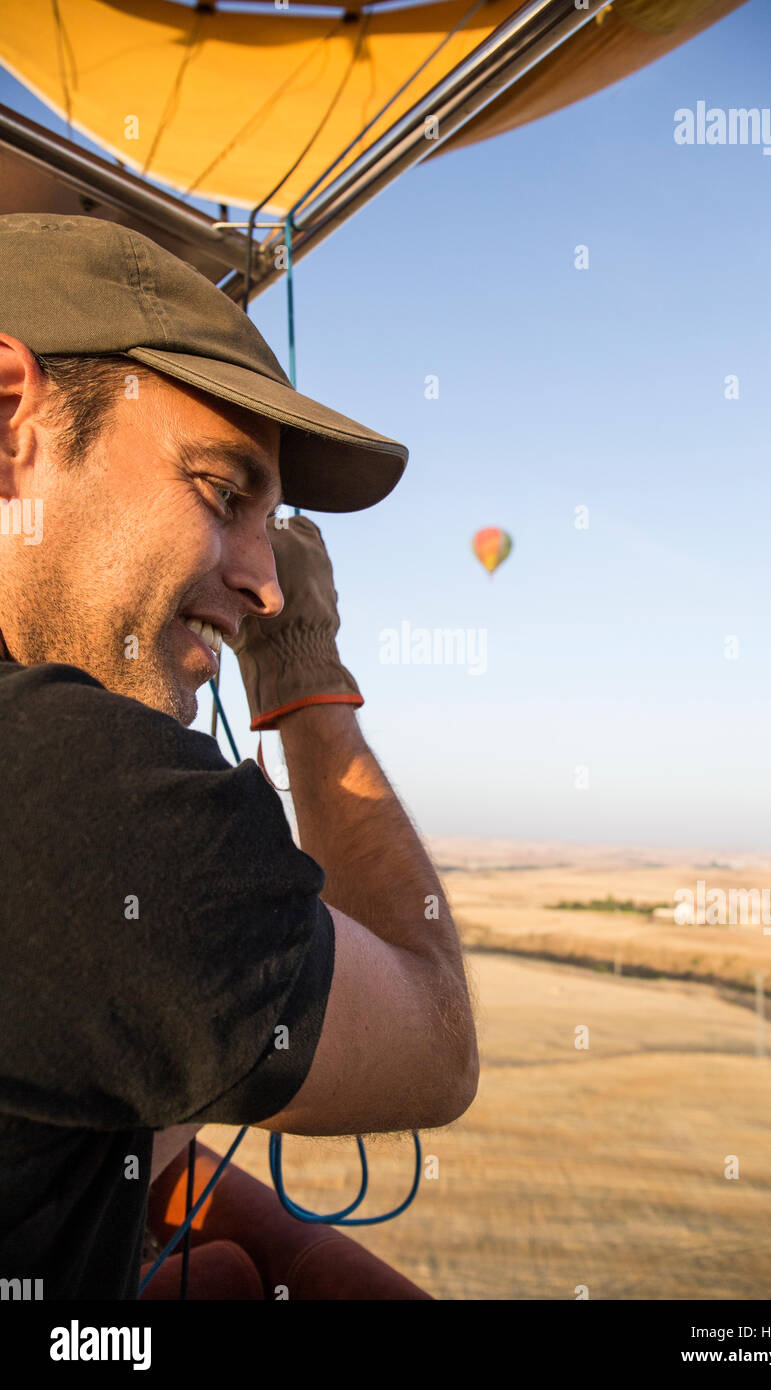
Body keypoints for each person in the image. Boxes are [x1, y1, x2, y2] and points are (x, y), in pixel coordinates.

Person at [0, 214, 479, 1300]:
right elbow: (436, 1038)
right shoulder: (79, 793)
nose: (265, 581)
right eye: (222, 493)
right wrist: (306, 674)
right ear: (10, 422)